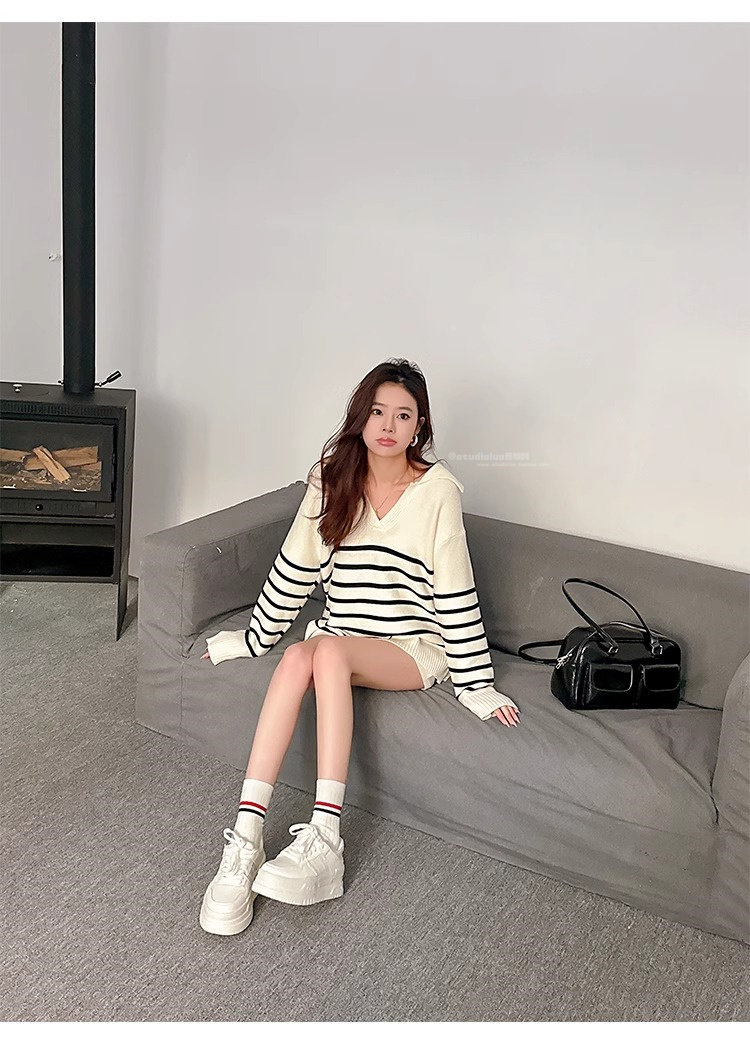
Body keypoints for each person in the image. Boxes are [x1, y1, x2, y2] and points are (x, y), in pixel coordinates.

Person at [198, 358, 521, 936]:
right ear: (360, 417)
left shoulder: (437, 492)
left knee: (325, 651)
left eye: (403, 415)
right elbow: (296, 566)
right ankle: (246, 839)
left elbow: (455, 588)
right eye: (377, 412)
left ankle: (326, 838)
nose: (388, 426)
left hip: (411, 646)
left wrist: (476, 685)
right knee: (301, 654)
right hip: (341, 634)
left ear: (420, 427)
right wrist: (253, 638)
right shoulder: (331, 478)